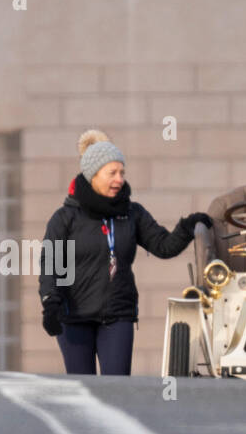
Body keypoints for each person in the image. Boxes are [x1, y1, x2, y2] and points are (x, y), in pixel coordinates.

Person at [39, 130, 211, 375]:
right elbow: (51, 264)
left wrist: (187, 227)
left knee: (117, 387)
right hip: (74, 318)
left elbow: (163, 246)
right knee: (83, 388)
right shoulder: (65, 217)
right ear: (92, 175)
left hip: (117, 316)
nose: (119, 179)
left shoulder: (132, 213)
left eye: (122, 172)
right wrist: (50, 302)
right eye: (112, 173)